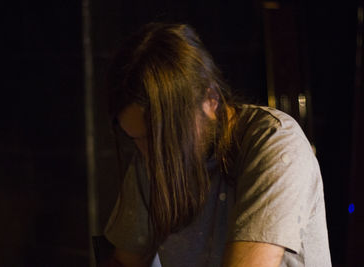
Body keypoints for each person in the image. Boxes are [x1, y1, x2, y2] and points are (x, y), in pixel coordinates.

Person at [102, 22, 332, 267]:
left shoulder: (276, 144)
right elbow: (124, 262)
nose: (151, 157)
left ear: (211, 99)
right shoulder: (150, 158)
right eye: (137, 140)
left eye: (163, 138)